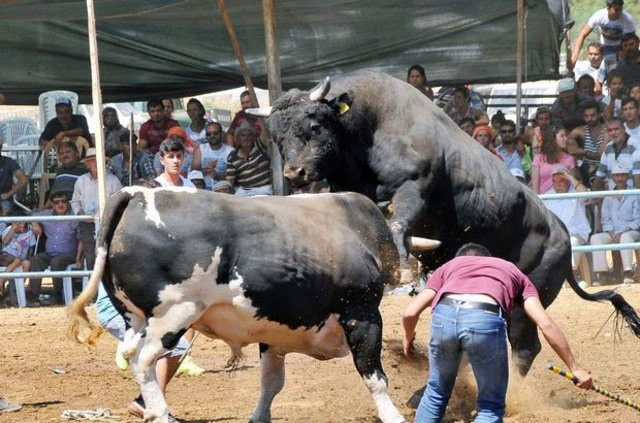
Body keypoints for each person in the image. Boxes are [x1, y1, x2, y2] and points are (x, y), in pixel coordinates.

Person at [402, 242, 593, 423]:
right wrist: (575, 368)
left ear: (462, 258)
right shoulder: (509, 269)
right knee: (490, 406)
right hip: (485, 317)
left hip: (444, 317)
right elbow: (545, 324)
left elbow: (410, 313)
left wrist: (408, 337)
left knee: (435, 393)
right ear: (488, 258)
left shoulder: (449, 267)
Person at [95, 283, 185, 422]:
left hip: (131, 312)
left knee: (178, 345)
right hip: (122, 312)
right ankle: (149, 405)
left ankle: (146, 402)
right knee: (174, 346)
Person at [71, 148, 122, 269]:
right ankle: (93, 286)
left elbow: (119, 203)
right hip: (87, 223)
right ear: (87, 164)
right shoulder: (81, 181)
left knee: (109, 254)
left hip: (107, 223)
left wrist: (108, 216)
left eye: (98, 160)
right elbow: (75, 201)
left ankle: (106, 286)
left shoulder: (113, 181)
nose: (95, 163)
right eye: (92, 161)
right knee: (90, 256)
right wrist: (82, 215)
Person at [28, 191, 83, 305]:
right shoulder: (46, 214)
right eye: (56, 202)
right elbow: (32, 215)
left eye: (63, 201)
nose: (60, 204)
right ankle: (33, 298)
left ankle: (57, 296)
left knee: (56, 262)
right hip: (49, 253)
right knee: (36, 260)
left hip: (69, 255)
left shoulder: (75, 217)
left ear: (68, 203)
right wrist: (35, 223)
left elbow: (81, 239)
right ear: (52, 205)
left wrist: (78, 258)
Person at [590, 162, 640, 285]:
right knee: (596, 238)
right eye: (617, 175)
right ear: (613, 177)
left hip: (631, 231)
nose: (620, 178)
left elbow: (638, 218)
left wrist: (623, 231)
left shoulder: (635, 194)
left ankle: (628, 272)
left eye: (623, 175)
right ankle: (603, 273)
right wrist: (611, 233)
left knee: (625, 237)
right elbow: (605, 219)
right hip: (612, 232)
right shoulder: (608, 196)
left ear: (627, 176)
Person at [542, 167, 591, 285]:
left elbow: (587, 197)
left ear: (568, 181)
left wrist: (570, 177)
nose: (557, 184)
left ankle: (570, 277)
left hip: (576, 233)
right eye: (555, 181)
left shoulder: (576, 192)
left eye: (561, 181)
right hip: (555, 234)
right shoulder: (547, 196)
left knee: (572, 242)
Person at [570, 0, 636, 72]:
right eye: (616, 10)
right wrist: (575, 54)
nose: (619, 12)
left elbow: (633, 41)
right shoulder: (599, 15)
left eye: (621, 9)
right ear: (608, 8)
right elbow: (582, 35)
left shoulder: (627, 19)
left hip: (621, 47)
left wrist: (625, 53)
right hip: (605, 47)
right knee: (597, 62)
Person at [225, 122, 272, 197]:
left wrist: (259, 118)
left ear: (253, 137)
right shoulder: (233, 157)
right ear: (238, 138)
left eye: (249, 135)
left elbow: (264, 132)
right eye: (243, 135)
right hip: (245, 190)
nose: (246, 138)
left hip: (263, 188)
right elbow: (230, 181)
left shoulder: (259, 146)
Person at [593, 117, 640, 190]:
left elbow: (638, 176)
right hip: (614, 196)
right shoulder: (608, 147)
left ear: (624, 129)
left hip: (632, 196)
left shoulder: (636, 145)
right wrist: (593, 197)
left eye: (616, 129)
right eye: (610, 130)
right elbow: (599, 174)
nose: (613, 133)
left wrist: (637, 199)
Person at [566, 103, 607, 187]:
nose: (589, 118)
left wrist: (581, 152)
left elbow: (600, 155)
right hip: (586, 168)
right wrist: (573, 149)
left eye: (592, 115)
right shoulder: (581, 130)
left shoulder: (607, 130)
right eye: (586, 116)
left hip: (603, 167)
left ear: (599, 115)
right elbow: (565, 141)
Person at [532, 126, 577, 194]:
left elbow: (572, 185)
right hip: (544, 201)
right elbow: (535, 187)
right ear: (553, 138)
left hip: (563, 200)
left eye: (565, 136)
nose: (566, 139)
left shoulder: (570, 159)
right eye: (562, 136)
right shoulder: (539, 158)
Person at [192, 121, 234, 192]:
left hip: (222, 190)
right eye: (208, 134)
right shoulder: (201, 149)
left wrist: (218, 176)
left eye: (215, 133)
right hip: (204, 189)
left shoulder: (230, 151)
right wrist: (206, 170)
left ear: (221, 134)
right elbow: (193, 174)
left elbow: (233, 178)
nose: (212, 136)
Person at [0, 222, 35, 303]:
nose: (17, 224)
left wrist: (28, 259)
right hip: (5, 255)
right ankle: (1, 283)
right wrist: (12, 230)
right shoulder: (10, 229)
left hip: (18, 258)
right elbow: (4, 243)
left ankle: (4, 285)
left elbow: (31, 249)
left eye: (20, 223)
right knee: (17, 260)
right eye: (15, 222)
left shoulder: (30, 232)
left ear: (24, 224)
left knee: (22, 262)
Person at [0, 142, 28, 216]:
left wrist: (8, 194)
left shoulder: (8, 162)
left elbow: (23, 179)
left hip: (4, 200)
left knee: (4, 214)